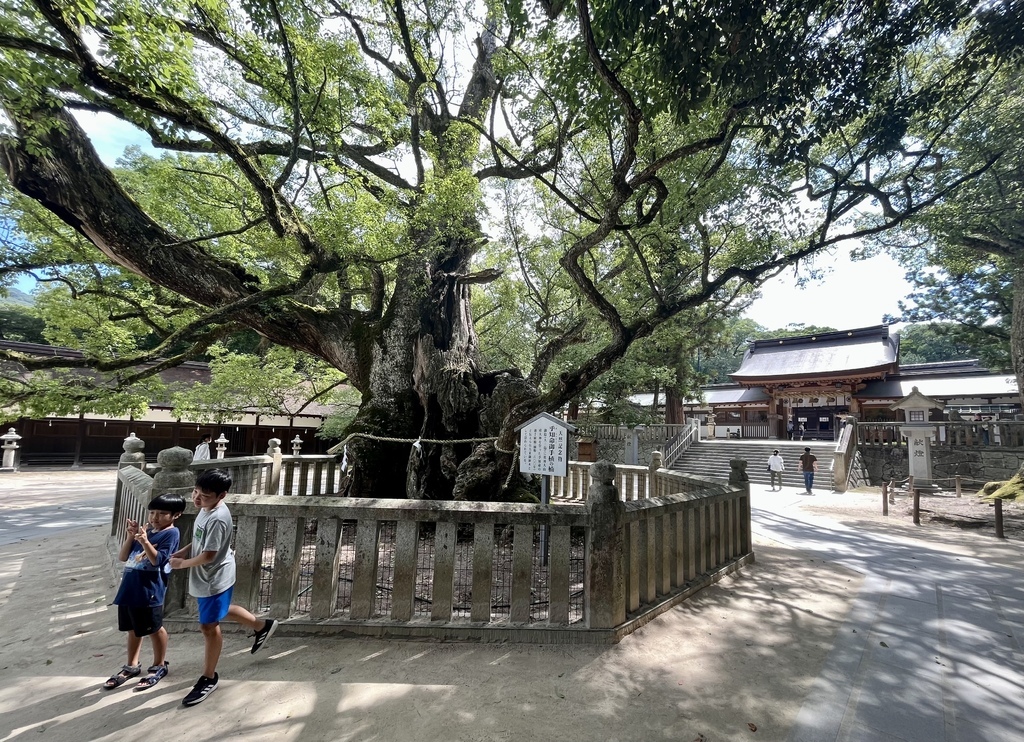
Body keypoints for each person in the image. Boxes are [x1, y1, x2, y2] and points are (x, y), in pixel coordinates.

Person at [170, 469, 278, 707]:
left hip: (213, 577)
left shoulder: (218, 518)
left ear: (222, 495)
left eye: (204, 496)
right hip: (207, 575)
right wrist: (186, 550)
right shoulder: (206, 508)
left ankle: (209, 677)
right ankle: (262, 626)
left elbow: (208, 554)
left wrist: (182, 563)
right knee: (220, 610)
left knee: (208, 626)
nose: (197, 499)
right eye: (195, 492)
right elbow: (202, 540)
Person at [104, 493, 186, 690]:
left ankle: (159, 664)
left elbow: (157, 560)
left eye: (162, 513)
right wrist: (132, 535)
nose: (155, 517)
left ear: (176, 515)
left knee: (154, 628)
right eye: (152, 512)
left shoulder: (171, 534)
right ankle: (132, 665)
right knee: (133, 627)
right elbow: (124, 557)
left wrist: (145, 542)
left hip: (149, 590)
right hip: (129, 587)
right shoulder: (145, 530)